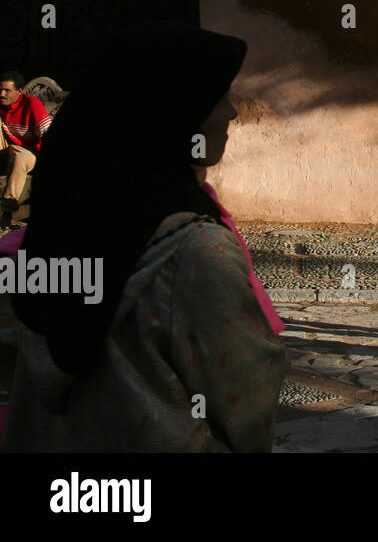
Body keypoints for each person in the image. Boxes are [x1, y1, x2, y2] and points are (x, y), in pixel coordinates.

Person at [2, 22, 286, 451]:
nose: (231, 113)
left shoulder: (58, 226)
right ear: (172, 114)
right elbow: (246, 403)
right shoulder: (195, 250)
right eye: (219, 98)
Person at [0, 72, 51, 224]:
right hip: (8, 148)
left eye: (6, 90)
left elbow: (47, 134)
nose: (1, 94)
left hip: (30, 152)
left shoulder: (31, 104)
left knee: (20, 156)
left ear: (19, 92)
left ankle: (9, 204)